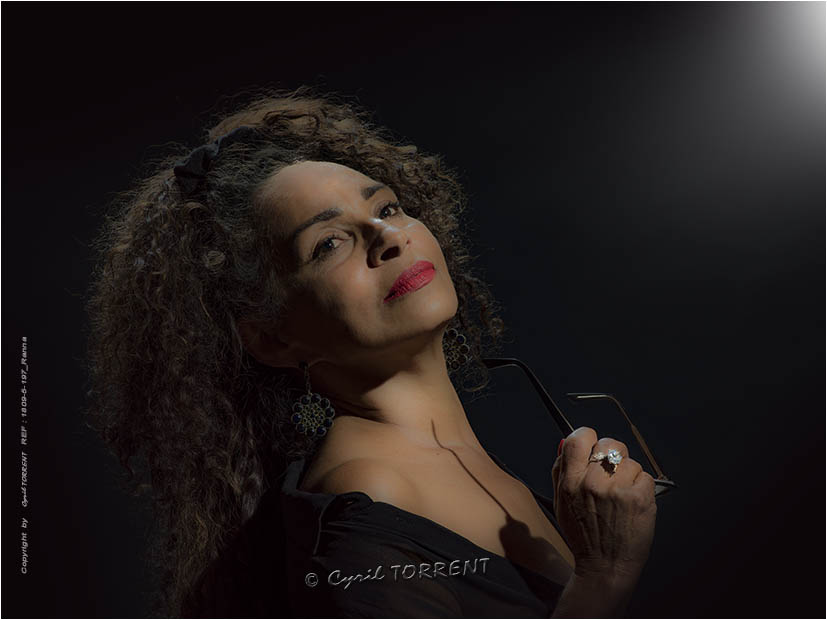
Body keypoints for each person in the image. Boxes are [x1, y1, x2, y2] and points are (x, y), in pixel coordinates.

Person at [85, 86, 657, 618]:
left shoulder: (451, 458)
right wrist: (603, 576)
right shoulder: (366, 499)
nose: (387, 236)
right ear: (273, 339)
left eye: (386, 208)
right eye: (329, 243)